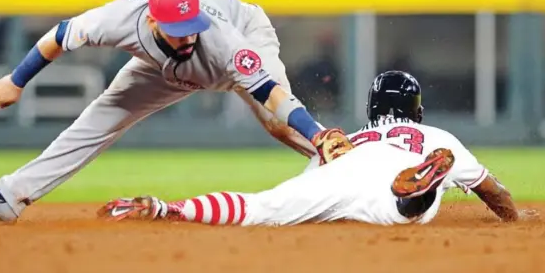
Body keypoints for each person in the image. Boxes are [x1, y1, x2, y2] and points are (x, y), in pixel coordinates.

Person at [0, 0, 347, 223]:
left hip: (246, 36)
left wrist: (318, 132)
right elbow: (59, 35)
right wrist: (16, 81)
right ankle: (8, 196)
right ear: (153, 22)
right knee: (102, 114)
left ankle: (349, 165)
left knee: (277, 120)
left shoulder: (220, 38)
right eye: (178, 29)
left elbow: (271, 93)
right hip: (158, 67)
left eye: (192, 28)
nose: (188, 36)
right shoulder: (117, 19)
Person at [98, 71, 520, 226]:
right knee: (401, 213)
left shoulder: (350, 138)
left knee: (263, 208)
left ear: (371, 108)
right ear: (418, 111)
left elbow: (313, 170)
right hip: (399, 173)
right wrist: (516, 218)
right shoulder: (439, 138)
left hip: (340, 167)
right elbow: (493, 192)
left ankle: (169, 209)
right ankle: (413, 196)